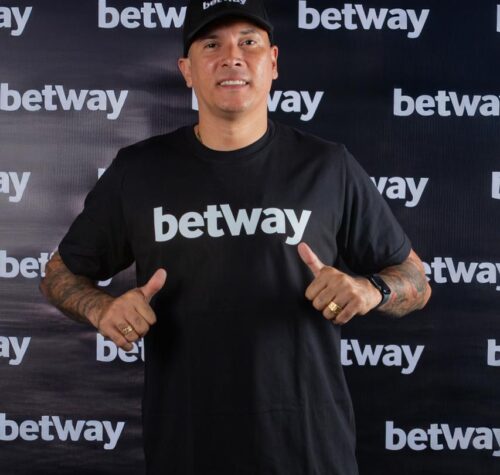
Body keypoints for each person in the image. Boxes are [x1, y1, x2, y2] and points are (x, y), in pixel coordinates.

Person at [40, 0, 431, 473]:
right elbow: (59, 274)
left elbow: (415, 278)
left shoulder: (328, 166)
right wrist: (101, 308)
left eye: (249, 42)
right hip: (187, 449)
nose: (232, 57)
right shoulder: (139, 170)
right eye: (211, 45)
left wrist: (370, 291)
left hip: (307, 450)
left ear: (273, 62)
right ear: (187, 70)